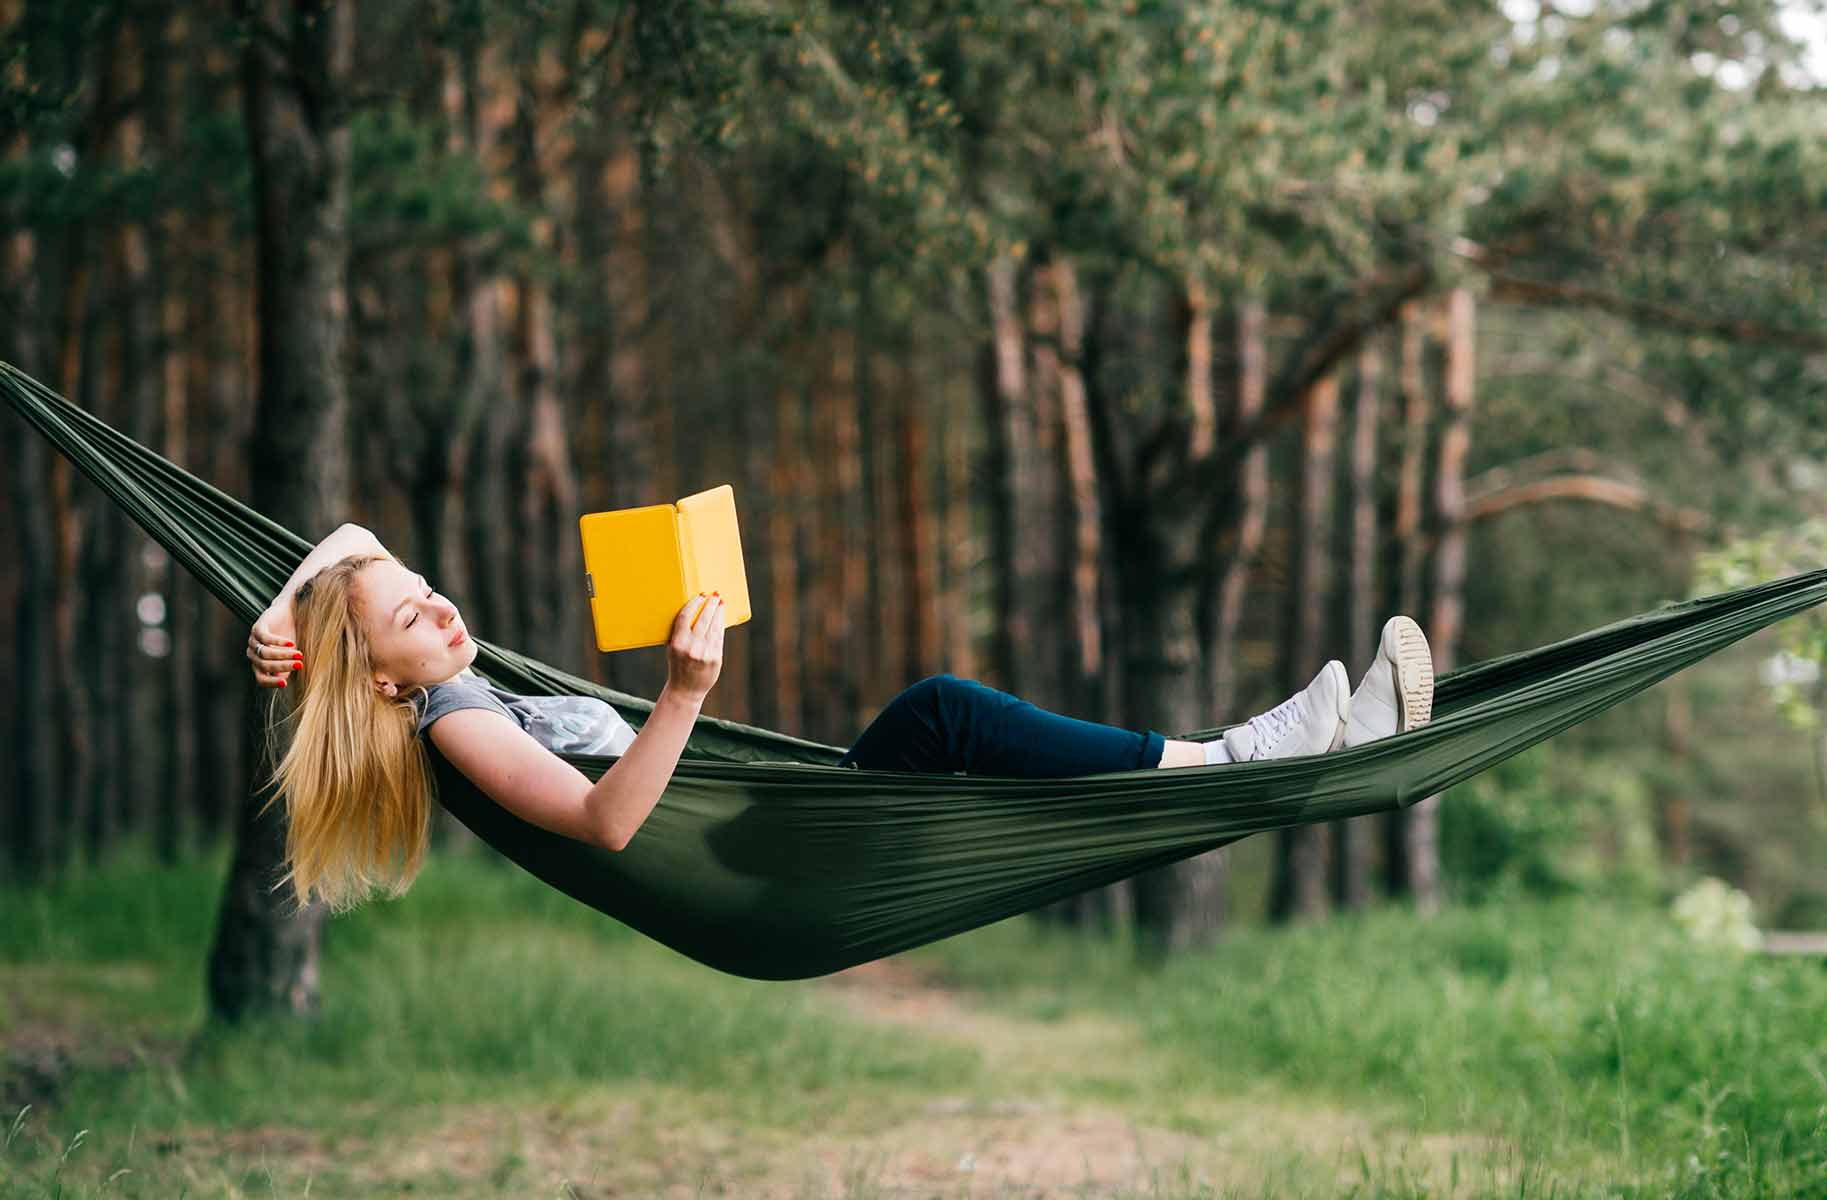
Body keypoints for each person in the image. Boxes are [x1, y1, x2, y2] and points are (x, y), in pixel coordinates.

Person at [246, 523, 1434, 911]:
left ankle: (1276, 756)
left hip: (768, 837)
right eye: (412, 615)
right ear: (384, 677)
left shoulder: (441, 685)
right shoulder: (453, 725)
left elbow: (351, 540)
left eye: (427, 588)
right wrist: (686, 694)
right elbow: (605, 823)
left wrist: (274, 608)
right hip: (767, 871)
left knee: (946, 719)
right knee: (942, 713)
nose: (440, 603)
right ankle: (1235, 757)